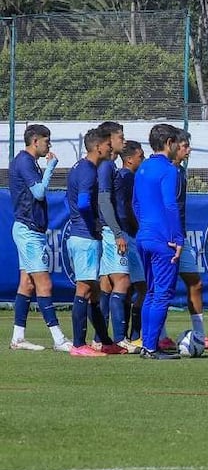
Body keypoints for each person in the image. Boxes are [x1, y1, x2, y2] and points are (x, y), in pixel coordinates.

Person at [8, 124, 72, 352]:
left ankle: (18, 338)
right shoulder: (25, 161)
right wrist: (51, 168)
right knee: (44, 283)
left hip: (28, 229)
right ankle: (59, 339)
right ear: (35, 141)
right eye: (46, 140)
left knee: (26, 284)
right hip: (28, 230)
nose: (49, 145)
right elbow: (39, 193)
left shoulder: (28, 161)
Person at [66, 127, 123, 357]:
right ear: (98, 147)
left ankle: (106, 342)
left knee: (95, 292)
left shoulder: (80, 167)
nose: (111, 148)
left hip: (82, 235)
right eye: (108, 145)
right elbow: (82, 204)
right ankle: (78, 345)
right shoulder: (89, 170)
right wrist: (93, 224)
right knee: (85, 288)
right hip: (85, 236)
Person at [172, 129, 208, 351]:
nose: (189, 149)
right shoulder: (166, 171)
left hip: (180, 236)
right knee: (156, 288)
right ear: (173, 145)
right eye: (185, 145)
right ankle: (154, 337)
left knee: (195, 282)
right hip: (166, 237)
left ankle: (200, 335)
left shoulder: (180, 171)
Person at [134, 123, 183, 360]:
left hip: (143, 236)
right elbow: (170, 204)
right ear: (169, 143)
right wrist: (177, 237)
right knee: (162, 294)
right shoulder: (169, 169)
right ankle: (151, 348)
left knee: (151, 292)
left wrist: (145, 227)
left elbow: (135, 203)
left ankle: (148, 345)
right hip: (163, 239)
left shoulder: (142, 167)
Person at [95, 121, 126, 348]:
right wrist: (116, 232)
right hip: (109, 231)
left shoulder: (110, 165)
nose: (123, 141)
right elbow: (104, 200)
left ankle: (100, 339)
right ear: (109, 140)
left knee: (105, 284)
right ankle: (120, 339)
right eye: (120, 138)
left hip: (107, 230)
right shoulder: (106, 166)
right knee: (122, 280)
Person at [114, 140, 146, 346]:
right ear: (129, 160)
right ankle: (133, 336)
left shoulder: (125, 176)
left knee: (130, 288)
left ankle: (127, 336)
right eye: (140, 156)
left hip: (127, 233)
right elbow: (126, 206)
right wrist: (137, 227)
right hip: (129, 235)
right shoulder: (127, 177)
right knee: (141, 287)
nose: (143, 159)